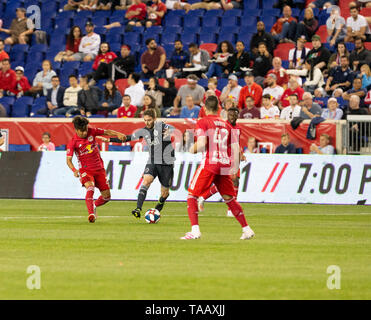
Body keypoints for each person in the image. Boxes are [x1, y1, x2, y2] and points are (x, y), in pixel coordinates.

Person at [181, 95, 255, 240]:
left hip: (210, 163)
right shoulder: (226, 124)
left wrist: (191, 149)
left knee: (191, 195)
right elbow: (235, 148)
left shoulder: (203, 121)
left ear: (204, 108)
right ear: (219, 108)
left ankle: (195, 231)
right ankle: (247, 229)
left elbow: (201, 144)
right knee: (229, 199)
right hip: (224, 164)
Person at [114, 109, 175, 217]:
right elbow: (127, 138)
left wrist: (167, 132)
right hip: (153, 161)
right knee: (146, 181)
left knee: (165, 193)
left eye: (149, 120)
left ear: (154, 119)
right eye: (145, 120)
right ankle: (138, 208)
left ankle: (159, 206)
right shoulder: (144, 131)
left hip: (167, 163)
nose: (147, 122)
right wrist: (110, 140)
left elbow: (171, 128)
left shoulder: (161, 126)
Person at [66, 115, 126, 222]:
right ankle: (91, 214)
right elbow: (68, 160)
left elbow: (106, 132)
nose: (84, 133)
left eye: (85, 130)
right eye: (82, 131)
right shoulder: (73, 142)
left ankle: (93, 205)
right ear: (76, 129)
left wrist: (118, 134)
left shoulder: (92, 131)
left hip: (99, 169)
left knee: (107, 197)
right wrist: (74, 170)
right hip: (86, 170)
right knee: (90, 188)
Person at [196, 107, 246, 217]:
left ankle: (229, 208)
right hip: (223, 157)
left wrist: (240, 154)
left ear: (238, 116)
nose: (232, 117)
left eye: (234, 115)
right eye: (230, 114)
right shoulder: (224, 125)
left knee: (235, 181)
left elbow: (236, 143)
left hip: (233, 156)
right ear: (227, 115)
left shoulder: (238, 128)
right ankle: (204, 197)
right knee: (229, 181)